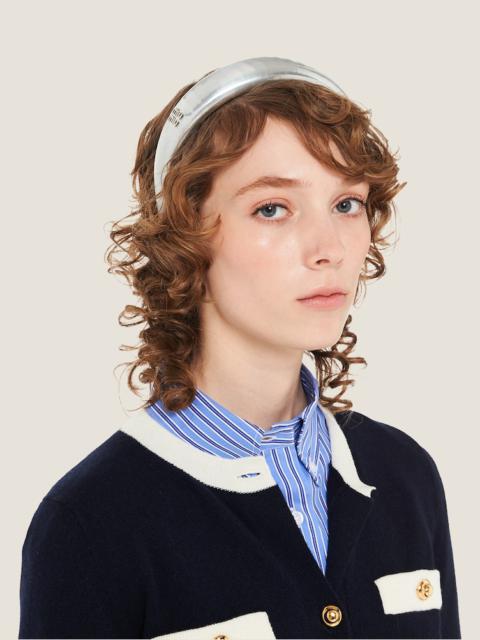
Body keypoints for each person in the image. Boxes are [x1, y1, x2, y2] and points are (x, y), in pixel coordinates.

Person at [18, 57, 461, 639]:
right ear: (185, 239)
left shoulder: (406, 477)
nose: (328, 247)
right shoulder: (91, 523)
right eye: (272, 208)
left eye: (346, 204)